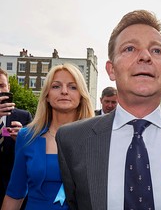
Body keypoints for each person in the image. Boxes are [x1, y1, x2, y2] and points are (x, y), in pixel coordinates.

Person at [56, 10, 161, 209]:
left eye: (157, 51)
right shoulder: (72, 140)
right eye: (130, 48)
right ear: (111, 69)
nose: (145, 56)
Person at [1, 63, 95, 209]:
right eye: (56, 86)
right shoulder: (27, 136)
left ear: (81, 95)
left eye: (72, 87)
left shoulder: (97, 139)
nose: (64, 91)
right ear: (47, 95)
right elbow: (15, 193)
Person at [0, 69, 32, 209]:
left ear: (8, 88)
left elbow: (33, 155)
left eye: (2, 86)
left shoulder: (24, 117)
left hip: (14, 190)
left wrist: (23, 139)